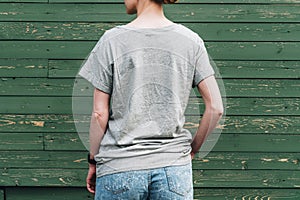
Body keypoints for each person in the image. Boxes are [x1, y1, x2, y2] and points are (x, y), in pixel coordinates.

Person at [79, 0, 224, 199]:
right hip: (174, 170)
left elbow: (98, 114)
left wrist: (93, 160)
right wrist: (192, 150)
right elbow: (216, 108)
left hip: (119, 167)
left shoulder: (112, 40)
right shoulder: (191, 41)